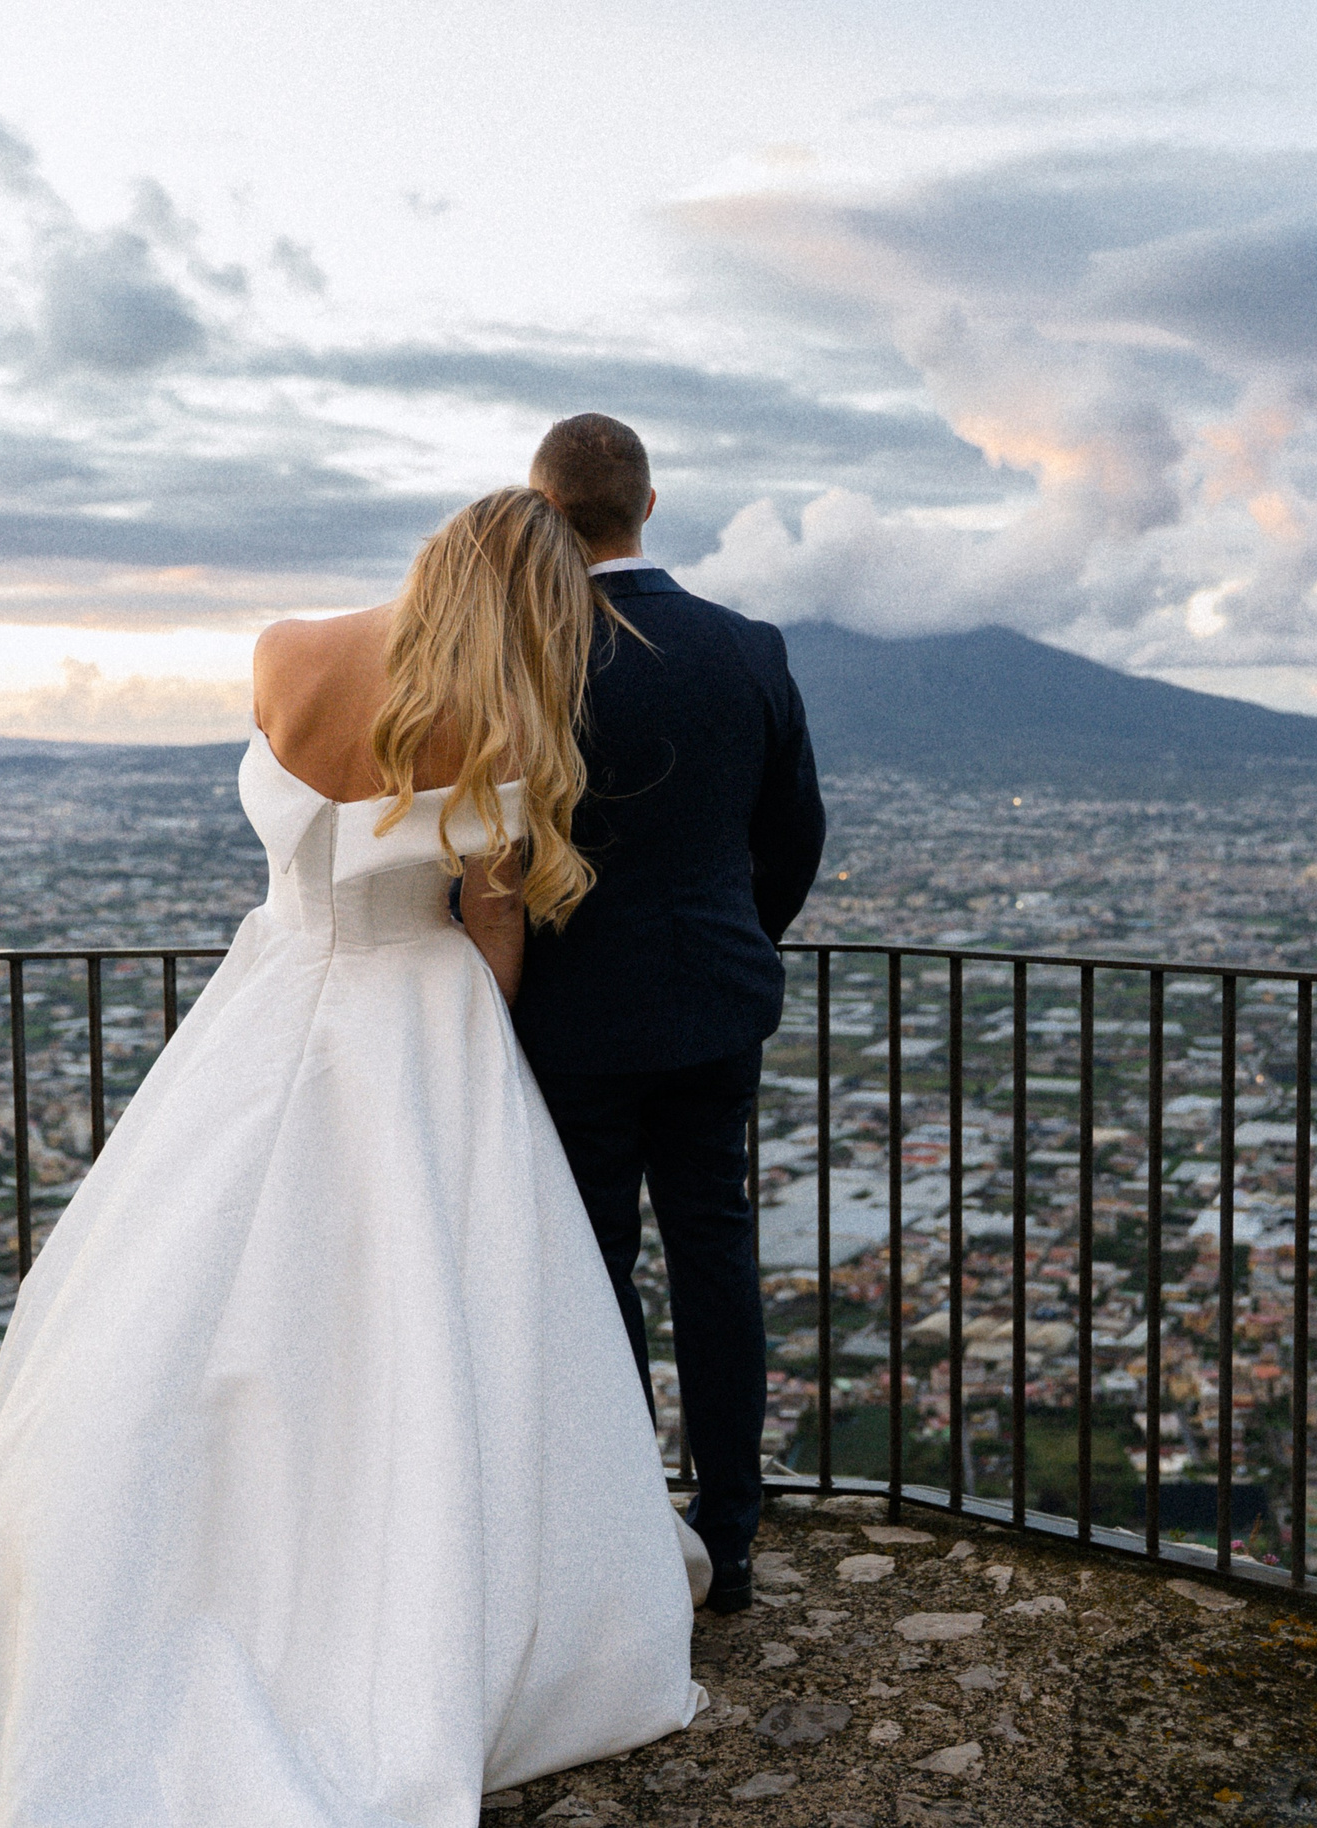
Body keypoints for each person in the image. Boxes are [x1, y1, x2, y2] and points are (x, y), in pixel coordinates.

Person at [0, 487, 704, 1827]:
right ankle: (385, 1626)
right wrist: (485, 1047)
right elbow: (490, 931)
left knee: (177, 1316)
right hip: (419, 1018)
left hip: (269, 1002)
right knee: (415, 1333)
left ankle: (128, 1622)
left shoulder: (284, 650)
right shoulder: (504, 723)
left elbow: (297, 841)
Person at [517, 414, 827, 1613]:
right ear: (649, 504)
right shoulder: (746, 647)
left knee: (594, 1272)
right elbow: (790, 836)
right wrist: (738, 939)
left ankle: (617, 1526)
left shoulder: (528, 652)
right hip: (711, 1009)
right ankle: (731, 1534)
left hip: (568, 1018)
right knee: (716, 1256)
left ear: (541, 512)